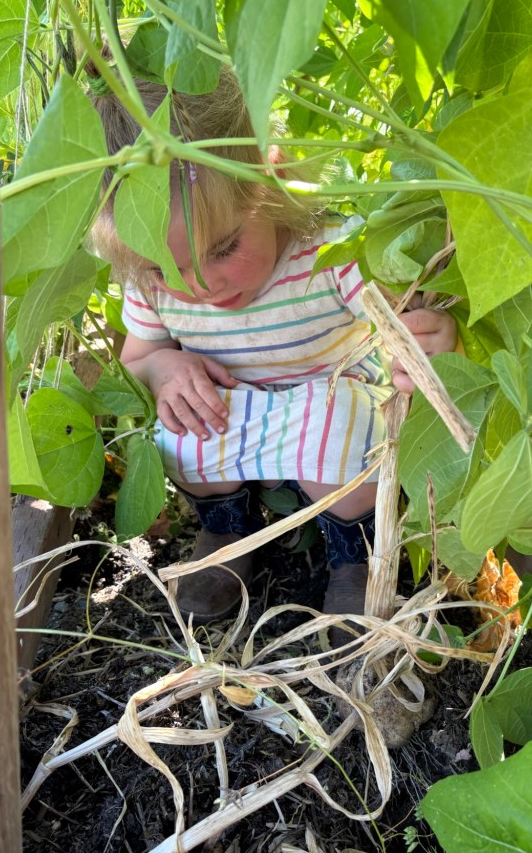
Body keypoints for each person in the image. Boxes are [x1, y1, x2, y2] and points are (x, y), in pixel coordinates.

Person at [88, 65, 457, 629]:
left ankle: (354, 555)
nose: (200, 286)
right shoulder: (150, 287)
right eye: (166, 270)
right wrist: (163, 369)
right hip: (236, 422)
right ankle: (227, 533)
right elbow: (136, 361)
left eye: (223, 248)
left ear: (269, 175)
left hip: (327, 421)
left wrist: (425, 343)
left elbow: (398, 325)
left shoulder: (329, 250)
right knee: (180, 425)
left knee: (344, 423)